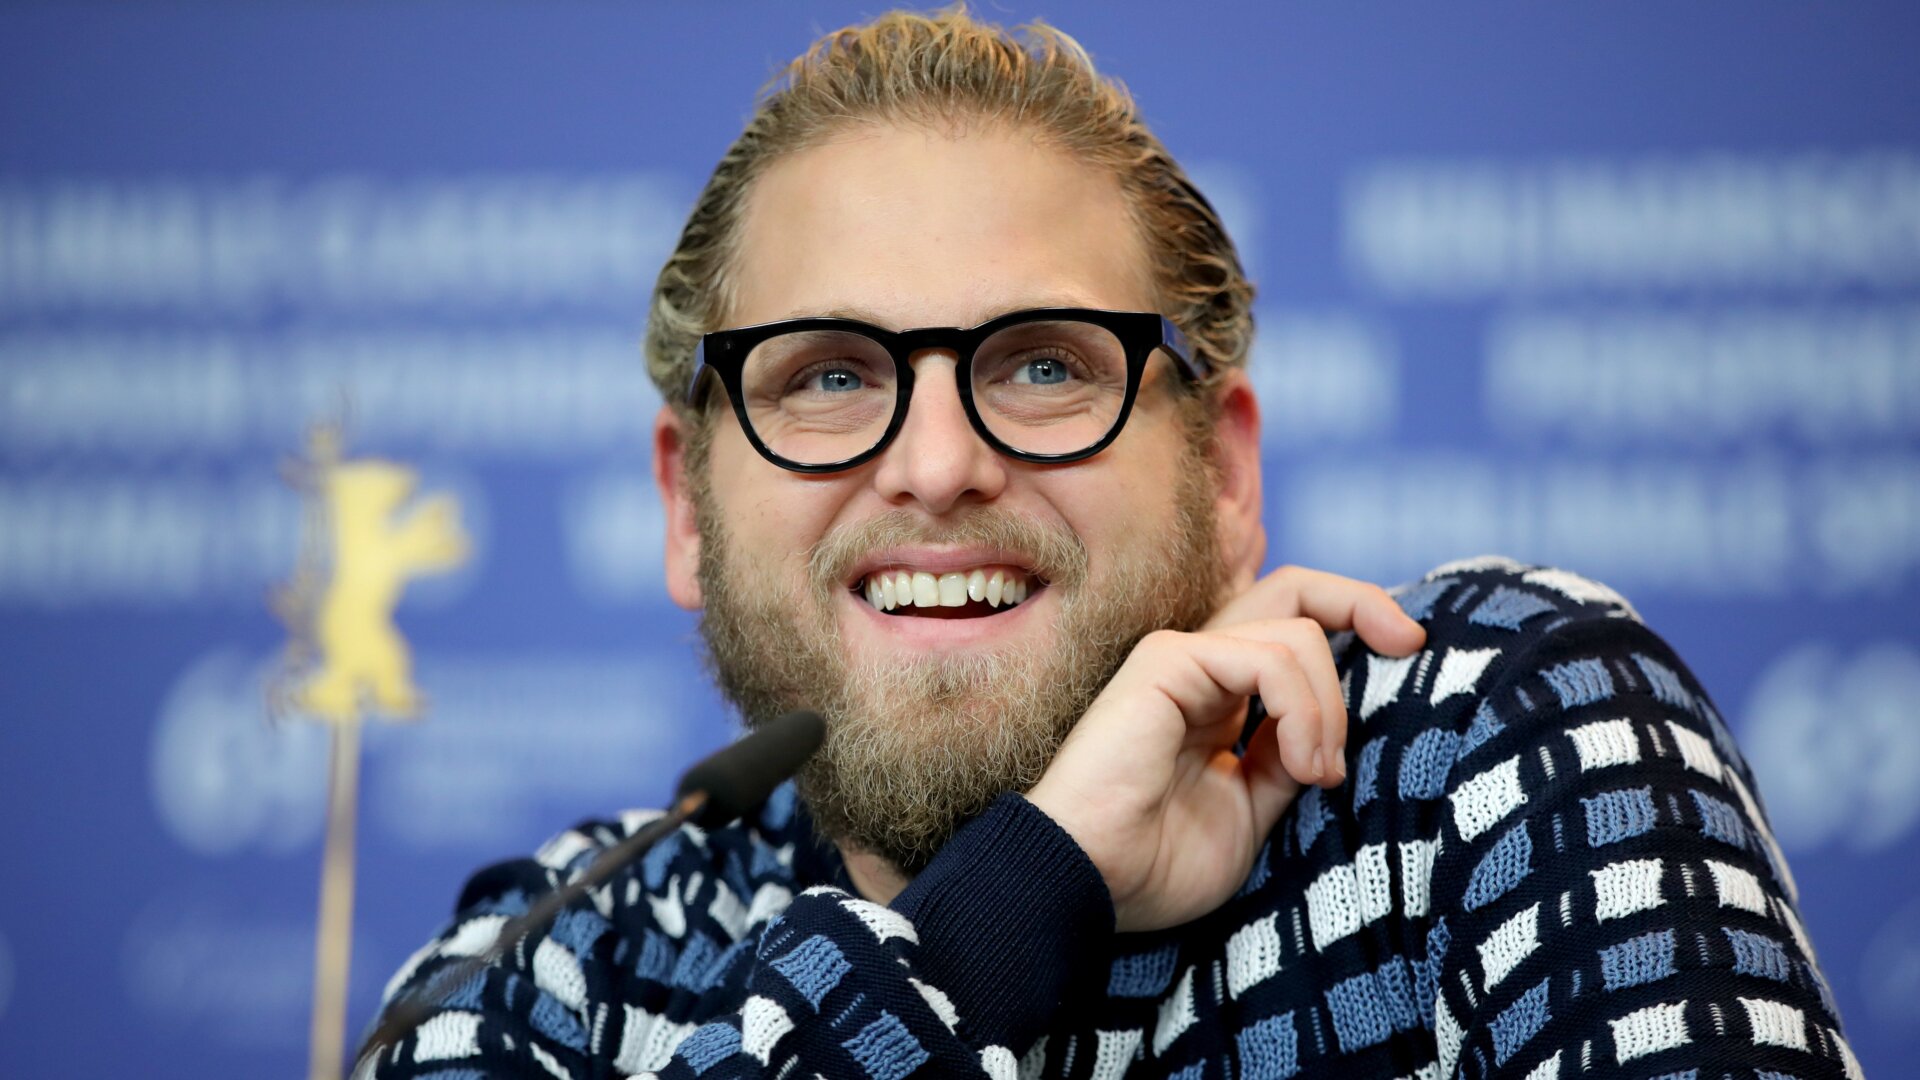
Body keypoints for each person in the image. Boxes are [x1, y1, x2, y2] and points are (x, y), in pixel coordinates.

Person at [363, 10, 1858, 1079]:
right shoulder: (544, 980)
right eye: (827, 376)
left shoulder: (1481, 739)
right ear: (688, 506)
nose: (938, 466)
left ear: (1224, 472)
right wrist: (1017, 903)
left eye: (1042, 367)